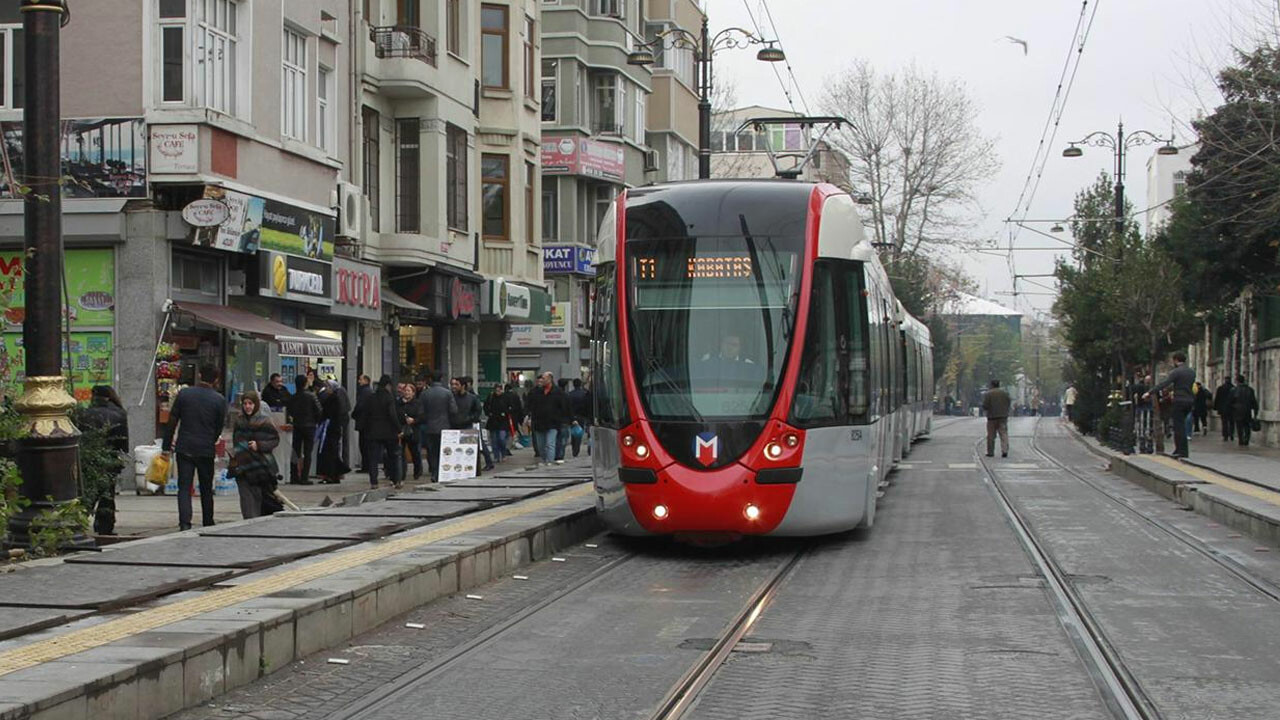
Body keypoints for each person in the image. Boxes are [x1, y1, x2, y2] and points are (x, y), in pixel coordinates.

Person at [162, 364, 228, 531]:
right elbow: (219, 427)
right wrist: (211, 439)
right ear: (216, 379)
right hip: (205, 448)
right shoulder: (219, 400)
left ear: (199, 375)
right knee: (206, 487)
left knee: (184, 487)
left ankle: (185, 523)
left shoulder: (184, 394)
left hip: (185, 446)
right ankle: (208, 521)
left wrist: (166, 446)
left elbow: (172, 421)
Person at [80, 385, 129, 535]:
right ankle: (105, 526)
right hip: (109, 458)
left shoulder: (84, 414)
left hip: (89, 457)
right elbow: (123, 442)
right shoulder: (119, 413)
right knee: (107, 494)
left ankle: (78, 520)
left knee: (88, 492)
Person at [228, 391, 280, 520]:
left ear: (256, 404)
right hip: (243, 466)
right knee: (246, 500)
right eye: (245, 403)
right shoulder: (239, 421)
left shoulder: (264, 421)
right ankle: (249, 522)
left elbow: (274, 440)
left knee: (258, 498)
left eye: (250, 403)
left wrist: (259, 445)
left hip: (259, 467)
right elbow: (236, 441)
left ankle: (255, 523)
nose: (247, 406)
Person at [1145, 351, 1196, 459]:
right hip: (1190, 400)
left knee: (1178, 426)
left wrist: (1150, 392)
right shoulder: (1191, 372)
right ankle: (1183, 450)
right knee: (1182, 424)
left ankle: (1181, 450)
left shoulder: (1176, 372)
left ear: (1176, 360)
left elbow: (1164, 384)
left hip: (1179, 400)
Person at [364, 375, 404, 489]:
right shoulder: (389, 397)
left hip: (374, 432)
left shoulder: (371, 397)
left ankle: (374, 482)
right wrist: (399, 429)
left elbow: (366, 414)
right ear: (388, 385)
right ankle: (395, 479)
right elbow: (392, 415)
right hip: (389, 432)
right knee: (393, 456)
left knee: (373, 458)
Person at [527, 371, 572, 468]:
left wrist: (563, 419)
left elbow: (564, 407)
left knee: (550, 444)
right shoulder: (536, 392)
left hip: (553, 423)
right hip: (539, 423)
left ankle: (550, 463)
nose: (542, 380)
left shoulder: (558, 392)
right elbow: (531, 405)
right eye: (541, 378)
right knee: (541, 446)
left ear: (550, 379)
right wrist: (530, 417)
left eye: (544, 378)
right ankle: (544, 460)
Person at [420, 372, 458, 481]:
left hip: (430, 427)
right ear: (441, 379)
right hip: (445, 426)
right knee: (444, 451)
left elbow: (421, 412)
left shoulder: (425, 394)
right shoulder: (447, 393)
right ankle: (443, 472)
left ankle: (434, 472)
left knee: (432, 452)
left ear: (430, 379)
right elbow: (453, 410)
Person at [285, 375, 322, 485]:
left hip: (297, 425)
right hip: (310, 426)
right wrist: (315, 420)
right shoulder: (311, 396)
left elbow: (290, 410)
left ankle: (294, 476)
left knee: (295, 452)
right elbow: (319, 410)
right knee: (307, 452)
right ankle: (304, 477)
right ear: (305, 383)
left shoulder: (293, 397)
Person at [316, 380, 351, 484]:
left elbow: (328, 414)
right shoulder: (334, 398)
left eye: (328, 387)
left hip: (330, 429)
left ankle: (330, 475)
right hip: (333, 429)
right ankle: (335, 474)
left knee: (329, 453)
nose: (326, 389)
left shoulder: (333, 399)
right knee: (333, 452)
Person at [398, 383, 426, 480]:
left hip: (413, 431)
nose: (406, 393)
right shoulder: (399, 403)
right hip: (402, 430)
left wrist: (414, 420)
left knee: (415, 453)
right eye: (405, 391)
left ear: (413, 393)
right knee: (401, 454)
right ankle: (402, 474)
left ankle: (417, 472)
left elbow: (422, 416)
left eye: (409, 391)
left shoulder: (417, 403)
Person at [484, 383, 517, 463]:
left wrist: (506, 413)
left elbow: (512, 407)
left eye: (499, 390)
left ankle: (503, 453)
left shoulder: (506, 397)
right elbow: (486, 406)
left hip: (503, 421)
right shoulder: (491, 397)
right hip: (493, 421)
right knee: (494, 440)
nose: (497, 392)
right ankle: (496, 456)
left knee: (502, 438)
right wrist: (489, 413)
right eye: (496, 390)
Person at [981, 379, 1011, 458]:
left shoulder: (988, 394)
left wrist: (986, 409)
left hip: (992, 417)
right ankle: (1004, 450)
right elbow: (1008, 403)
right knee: (1003, 434)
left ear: (992, 385)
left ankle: (990, 451)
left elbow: (985, 405)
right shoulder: (1005, 393)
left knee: (991, 435)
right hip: (1003, 417)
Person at [352, 374, 373, 476]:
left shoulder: (364, 392)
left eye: (360, 379)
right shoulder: (368, 391)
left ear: (366, 380)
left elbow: (360, 406)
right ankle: (366, 465)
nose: (358, 381)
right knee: (365, 445)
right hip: (367, 422)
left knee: (364, 445)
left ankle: (366, 466)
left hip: (364, 422)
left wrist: (354, 414)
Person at [1231, 374, 1259, 447]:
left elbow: (1230, 401)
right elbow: (1254, 402)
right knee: (1247, 426)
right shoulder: (1250, 390)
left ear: (1237, 381)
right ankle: (1246, 439)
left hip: (1237, 411)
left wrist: (1231, 410)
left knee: (1239, 426)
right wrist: (1255, 412)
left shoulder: (1234, 390)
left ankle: (1241, 440)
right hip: (1247, 410)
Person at [568, 378, 592, 458]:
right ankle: (583, 449)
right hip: (582, 416)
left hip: (573, 416)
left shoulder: (570, 394)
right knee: (583, 432)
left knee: (574, 433)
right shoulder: (584, 394)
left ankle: (574, 449)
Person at [555, 378, 573, 462]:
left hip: (555, 420)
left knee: (555, 439)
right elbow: (569, 409)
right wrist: (572, 419)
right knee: (563, 439)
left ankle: (555, 455)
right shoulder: (566, 396)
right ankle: (560, 456)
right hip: (564, 420)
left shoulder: (554, 394)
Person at [1214, 376, 1235, 442]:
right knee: (1231, 422)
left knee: (1224, 422)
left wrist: (1216, 407)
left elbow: (1217, 399)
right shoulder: (1233, 388)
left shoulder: (1221, 388)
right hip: (1232, 408)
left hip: (1223, 408)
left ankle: (1225, 435)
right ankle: (1231, 434)